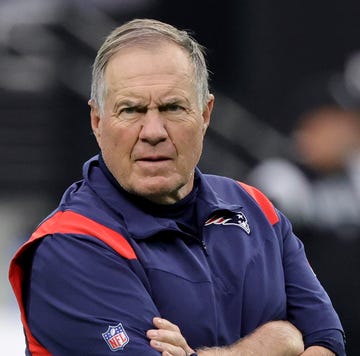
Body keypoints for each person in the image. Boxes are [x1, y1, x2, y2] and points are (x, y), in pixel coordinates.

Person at [9, 18, 345, 355]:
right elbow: (304, 340)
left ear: (205, 114)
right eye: (132, 109)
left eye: (172, 107)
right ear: (98, 121)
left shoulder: (256, 208)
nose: (153, 131)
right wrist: (279, 342)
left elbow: (328, 342)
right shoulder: (70, 244)